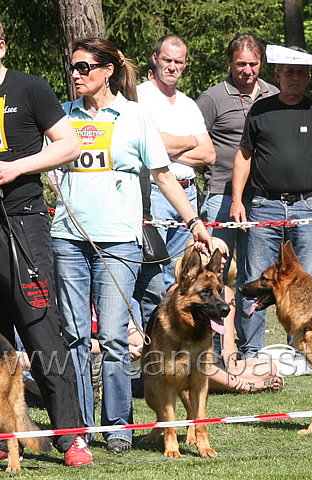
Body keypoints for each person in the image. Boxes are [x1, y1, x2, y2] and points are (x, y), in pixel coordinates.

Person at [51, 38, 213, 454]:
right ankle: (79, 427)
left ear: (107, 70)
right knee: (73, 335)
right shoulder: (62, 115)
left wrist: (193, 221)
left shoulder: (134, 115)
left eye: (84, 67)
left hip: (120, 240)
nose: (75, 75)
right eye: (72, 68)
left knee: (113, 336)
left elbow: (162, 175)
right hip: (68, 237)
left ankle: (118, 425)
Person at [0, 20, 93, 467]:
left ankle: (71, 437)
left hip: (23, 225)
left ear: (1, 45)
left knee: (42, 332)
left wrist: (17, 168)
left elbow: (69, 145)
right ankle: (5, 437)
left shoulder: (30, 88)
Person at [231, 51, 312, 359]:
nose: (295, 78)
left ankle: (298, 352)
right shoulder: (261, 109)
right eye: (289, 72)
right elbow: (244, 155)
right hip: (264, 205)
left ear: (309, 77)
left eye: (301, 73)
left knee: (304, 286)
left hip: (306, 206)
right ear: (278, 76)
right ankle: (252, 351)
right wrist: (237, 199)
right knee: (258, 280)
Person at [196, 34, 279, 285]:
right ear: (230, 63)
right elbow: (196, 144)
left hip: (263, 198)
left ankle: (245, 325)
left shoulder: (274, 94)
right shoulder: (212, 98)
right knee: (215, 271)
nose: (247, 70)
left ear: (261, 62)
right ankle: (214, 324)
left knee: (255, 273)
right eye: (241, 64)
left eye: (253, 64)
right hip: (221, 195)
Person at [137, 34, 216, 290]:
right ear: (155, 59)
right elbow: (145, 144)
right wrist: (191, 139)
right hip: (156, 192)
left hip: (189, 192)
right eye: (167, 60)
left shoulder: (188, 104)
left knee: (179, 274)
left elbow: (209, 155)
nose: (173, 67)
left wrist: (162, 146)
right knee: (151, 274)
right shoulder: (139, 97)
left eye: (179, 62)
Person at [173, 238, 284, 393]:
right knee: (198, 366)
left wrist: (231, 367)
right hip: (191, 360)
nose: (224, 260)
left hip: (217, 361)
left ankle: (225, 382)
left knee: (269, 366)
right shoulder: (179, 292)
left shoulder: (227, 292)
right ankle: (246, 386)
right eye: (219, 255)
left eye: (225, 255)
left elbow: (229, 342)